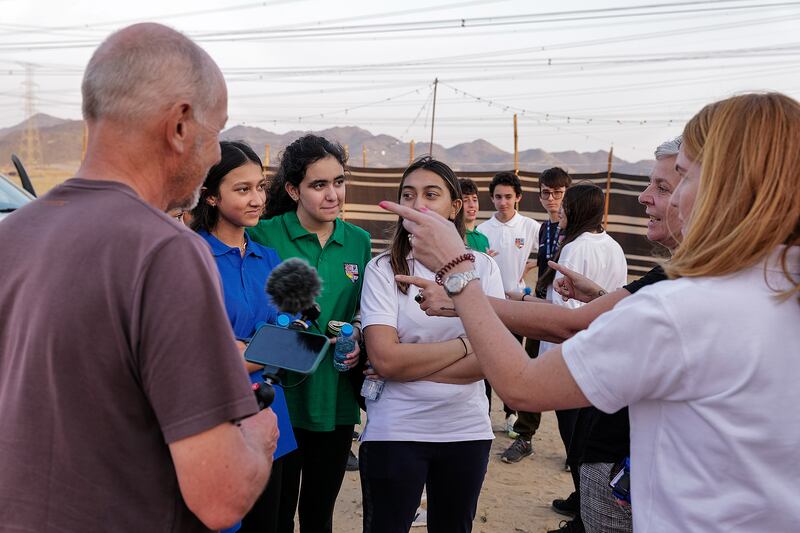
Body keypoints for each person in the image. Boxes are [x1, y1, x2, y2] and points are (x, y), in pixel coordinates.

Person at [382, 92, 800, 532]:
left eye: (681, 179)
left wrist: (457, 272)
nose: (665, 199)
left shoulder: (685, 307)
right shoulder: (776, 288)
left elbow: (524, 386)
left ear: (726, 186)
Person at [0, 24, 277, 533]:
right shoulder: (167, 252)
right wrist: (257, 437)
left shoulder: (12, 235)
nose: (216, 154)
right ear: (180, 126)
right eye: (216, 134)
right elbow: (220, 495)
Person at [398, 137, 684, 533]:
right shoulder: (684, 278)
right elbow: (592, 318)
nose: (643, 198)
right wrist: (598, 298)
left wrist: (459, 282)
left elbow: (527, 378)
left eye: (665, 186)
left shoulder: (693, 285)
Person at [359, 156, 504, 532]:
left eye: (431, 194)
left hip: (466, 431)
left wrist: (412, 363)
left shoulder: (483, 269)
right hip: (396, 430)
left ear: (455, 206)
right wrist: (467, 344)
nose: (417, 203)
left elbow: (494, 363)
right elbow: (386, 360)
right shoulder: (383, 270)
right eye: (408, 195)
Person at [248, 134, 371, 533]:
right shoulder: (265, 234)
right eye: (319, 185)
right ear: (292, 189)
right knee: (276, 516)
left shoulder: (359, 241)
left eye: (338, 182)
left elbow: (362, 312)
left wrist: (357, 338)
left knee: (320, 515)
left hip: (333, 398)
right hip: (278, 398)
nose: (332, 194)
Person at [190, 140, 298, 533]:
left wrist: (235, 349)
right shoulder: (190, 257)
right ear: (212, 196)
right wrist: (267, 344)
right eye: (242, 189)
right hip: (211, 427)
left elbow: (294, 344)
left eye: (260, 187)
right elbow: (196, 355)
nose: (257, 199)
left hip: (271, 423)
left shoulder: (270, 261)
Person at [477, 171, 541, 438]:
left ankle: (511, 415)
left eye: (508, 197)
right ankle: (482, 415)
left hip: (516, 306)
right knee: (486, 361)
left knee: (514, 360)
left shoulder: (530, 227)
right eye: (498, 197)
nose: (503, 202)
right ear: (491, 198)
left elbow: (548, 254)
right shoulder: (483, 230)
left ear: (518, 198)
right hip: (489, 306)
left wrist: (531, 263)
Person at [459, 177, 493, 255]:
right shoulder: (453, 236)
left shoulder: (483, 239)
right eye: (465, 200)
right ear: (456, 204)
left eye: (474, 200)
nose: (472, 205)